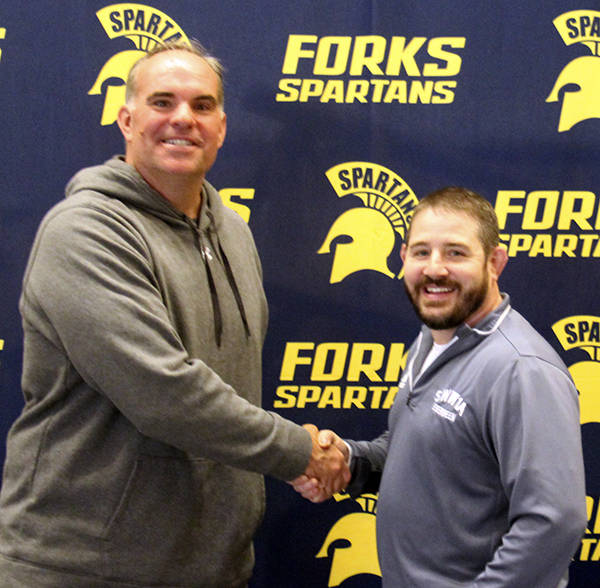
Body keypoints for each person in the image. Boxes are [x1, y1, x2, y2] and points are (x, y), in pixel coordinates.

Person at [0, 41, 349, 587]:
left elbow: (230, 386)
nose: (183, 119)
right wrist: (300, 451)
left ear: (223, 126)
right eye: (163, 102)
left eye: (202, 105)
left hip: (210, 566)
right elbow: (165, 395)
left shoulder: (232, 230)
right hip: (86, 569)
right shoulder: (86, 231)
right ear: (127, 119)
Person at [293, 187, 587, 587]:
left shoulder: (522, 369)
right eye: (421, 252)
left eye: (455, 253)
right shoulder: (430, 340)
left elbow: (554, 522)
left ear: (494, 262)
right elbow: (424, 453)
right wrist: (349, 459)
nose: (435, 269)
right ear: (403, 259)